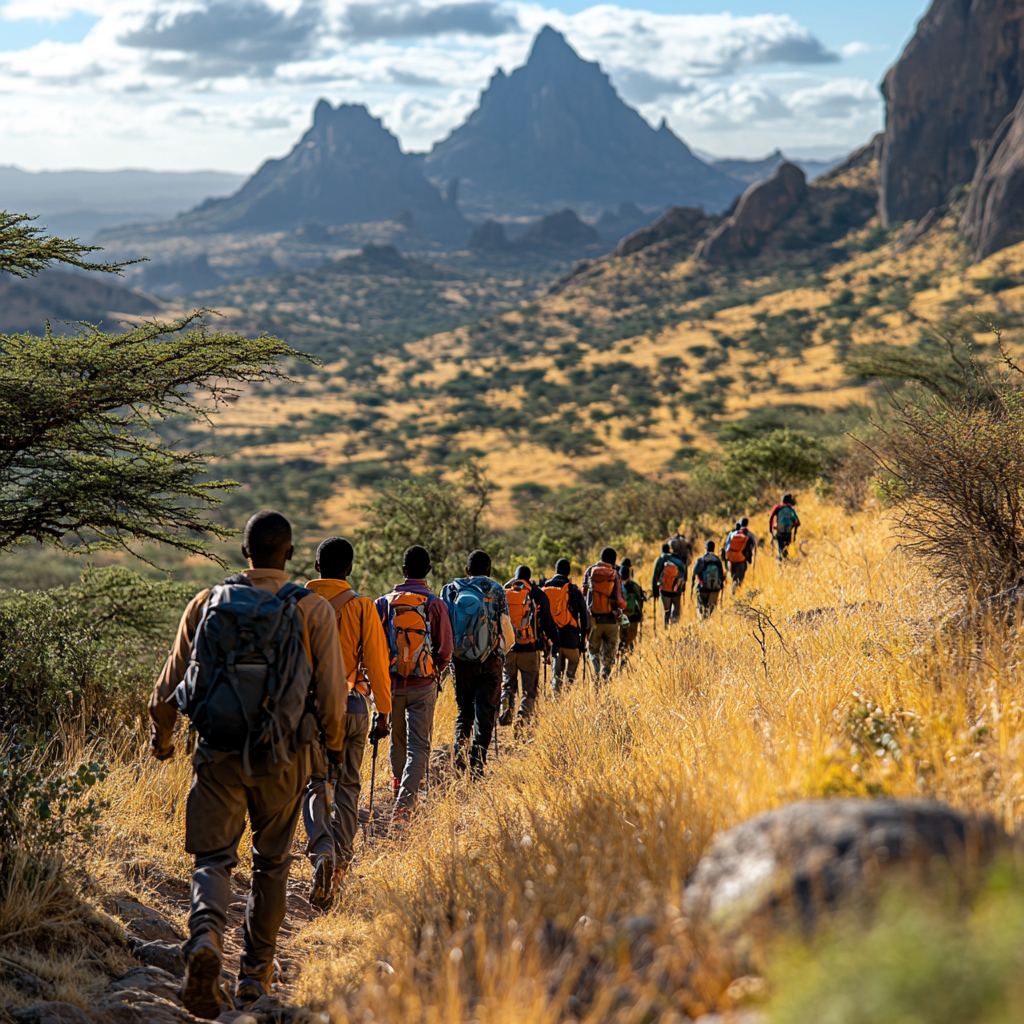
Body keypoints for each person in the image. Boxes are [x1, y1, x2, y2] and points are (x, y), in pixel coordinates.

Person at [149, 511, 347, 1017]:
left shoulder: (207, 602)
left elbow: (166, 692)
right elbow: (330, 699)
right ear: (291, 554)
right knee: (272, 863)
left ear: (244, 552)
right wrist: (332, 749)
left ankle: (207, 939)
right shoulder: (312, 610)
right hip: (284, 757)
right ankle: (255, 977)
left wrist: (165, 740)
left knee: (213, 860)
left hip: (216, 751)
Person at [302, 536, 391, 912]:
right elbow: (376, 661)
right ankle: (340, 867)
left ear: (317, 567)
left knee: (316, 784)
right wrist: (384, 711)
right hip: (354, 706)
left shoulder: (298, 605)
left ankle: (321, 850)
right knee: (349, 788)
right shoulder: (362, 606)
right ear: (349, 569)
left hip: (310, 710)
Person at [374, 545, 452, 824]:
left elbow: (374, 647)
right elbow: (445, 649)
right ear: (428, 570)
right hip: (423, 683)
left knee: (397, 738)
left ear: (403, 570)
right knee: (419, 746)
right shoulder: (435, 604)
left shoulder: (382, 603)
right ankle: (404, 806)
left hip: (390, 683)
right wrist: (433, 672)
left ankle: (399, 785)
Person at [442, 550, 514, 776]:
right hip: (490, 661)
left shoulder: (450, 590)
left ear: (467, 570)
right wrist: (501, 653)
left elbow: (444, 628)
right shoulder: (496, 590)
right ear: (489, 569)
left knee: (464, 712)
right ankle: (478, 765)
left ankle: (460, 761)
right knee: (485, 713)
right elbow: (506, 627)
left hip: (461, 661)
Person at [499, 565, 559, 734]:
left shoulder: (503, 592)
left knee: (507, 684)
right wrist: (555, 642)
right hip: (530, 649)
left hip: (508, 649)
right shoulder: (537, 593)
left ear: (515, 577)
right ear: (529, 578)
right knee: (529, 690)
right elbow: (547, 621)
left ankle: (506, 709)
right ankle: (523, 718)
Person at [541, 559, 590, 695]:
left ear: (556, 570)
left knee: (556, 677)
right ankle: (568, 697)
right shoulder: (573, 589)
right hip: (572, 640)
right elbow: (584, 616)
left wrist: (544, 642)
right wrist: (582, 642)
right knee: (570, 675)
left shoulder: (545, 589)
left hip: (554, 641)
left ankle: (557, 700)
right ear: (568, 572)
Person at [582, 546, 627, 683]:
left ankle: (596, 679)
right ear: (614, 560)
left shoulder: (589, 571)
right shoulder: (614, 574)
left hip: (594, 621)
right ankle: (605, 678)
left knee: (593, 652)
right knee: (609, 655)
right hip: (611, 622)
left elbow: (584, 594)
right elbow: (620, 602)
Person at [651, 542, 686, 627]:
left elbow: (655, 576)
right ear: (669, 550)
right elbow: (683, 575)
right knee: (676, 611)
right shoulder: (677, 560)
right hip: (676, 591)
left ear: (662, 550)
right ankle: (675, 628)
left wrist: (655, 591)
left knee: (667, 612)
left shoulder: (660, 560)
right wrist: (682, 589)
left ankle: (667, 629)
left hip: (665, 591)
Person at [691, 540, 726, 619]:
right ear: (714, 548)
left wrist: (693, 586)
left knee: (701, 609)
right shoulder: (717, 560)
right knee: (710, 610)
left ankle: (703, 623)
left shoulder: (701, 560)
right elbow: (721, 575)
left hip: (702, 588)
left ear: (706, 549)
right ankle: (707, 621)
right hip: (714, 589)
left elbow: (695, 574)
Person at [618, 558, 646, 655]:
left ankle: (621, 654)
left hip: (621, 617)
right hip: (633, 617)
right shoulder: (634, 585)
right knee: (630, 640)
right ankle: (624, 660)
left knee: (621, 639)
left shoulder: (617, 585)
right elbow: (641, 599)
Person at [722, 519, 756, 593]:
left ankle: (733, 593)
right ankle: (737, 595)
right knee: (739, 580)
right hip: (741, 559)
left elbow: (726, 547)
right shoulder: (749, 534)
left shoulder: (732, 533)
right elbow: (753, 545)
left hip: (731, 560)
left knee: (733, 579)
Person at [769, 494, 801, 561]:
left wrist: (770, 529)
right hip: (788, 533)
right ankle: (785, 561)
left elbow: (771, 517)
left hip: (779, 531)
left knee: (780, 547)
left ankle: (781, 562)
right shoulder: (791, 509)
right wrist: (793, 528)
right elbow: (798, 522)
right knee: (786, 548)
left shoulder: (778, 507)